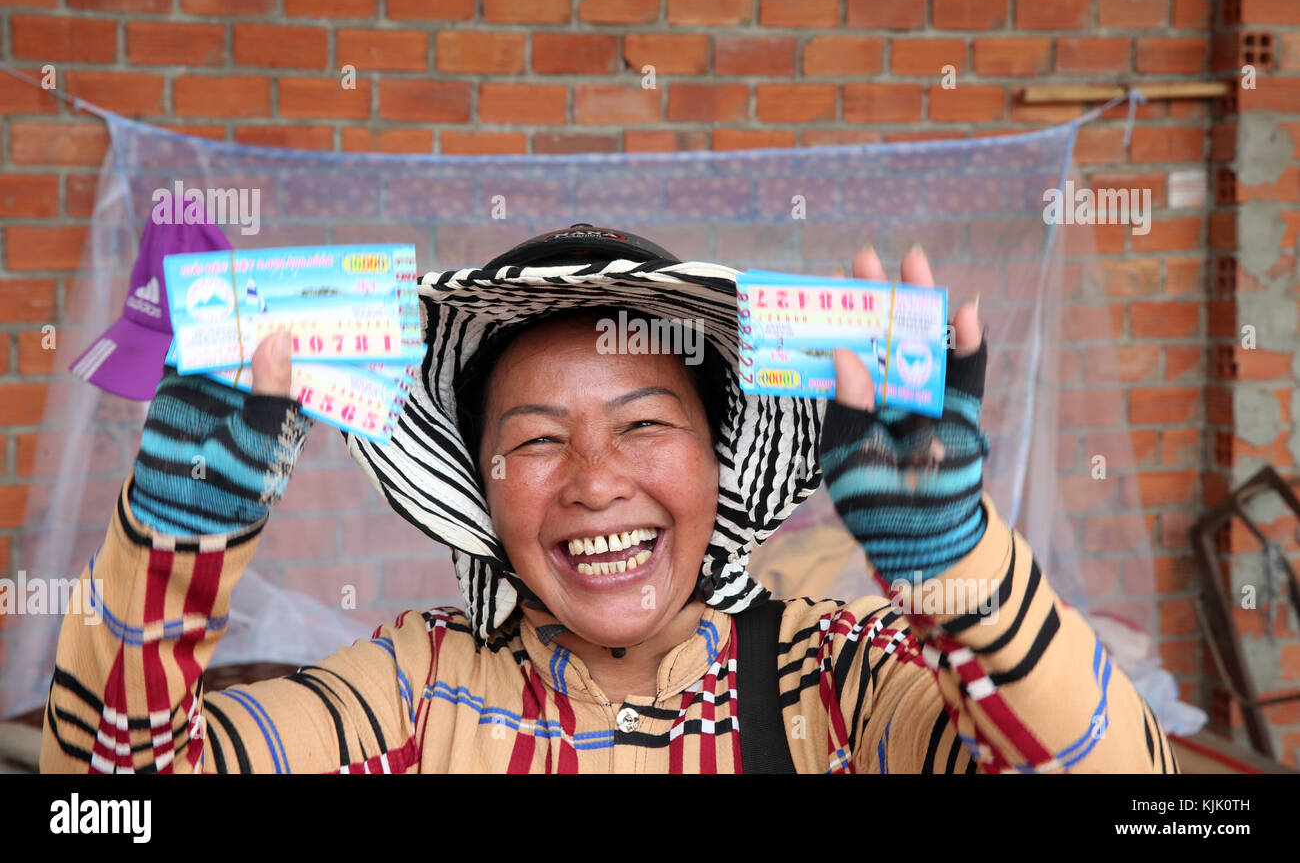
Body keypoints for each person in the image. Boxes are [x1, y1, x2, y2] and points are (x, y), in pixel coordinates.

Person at [41, 225, 1179, 773]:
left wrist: (953, 561)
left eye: (644, 423)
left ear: (723, 459)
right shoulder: (414, 684)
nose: (594, 481)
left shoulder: (838, 680)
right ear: (474, 489)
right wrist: (173, 544)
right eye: (535, 441)